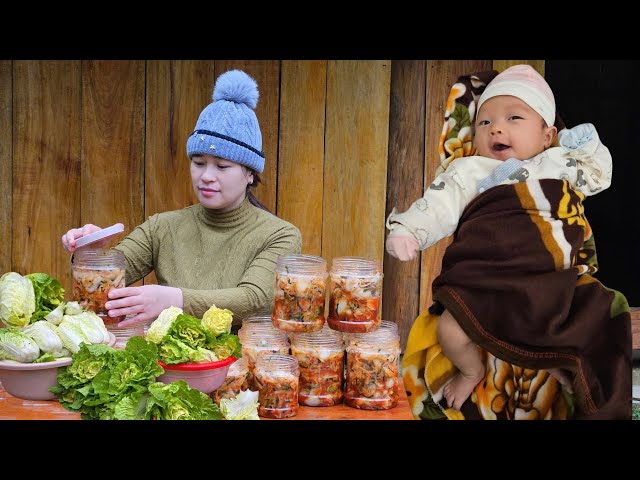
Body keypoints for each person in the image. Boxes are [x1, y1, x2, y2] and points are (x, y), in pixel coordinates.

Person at [386, 65, 616, 412]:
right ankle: (470, 369)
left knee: (565, 327)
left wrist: (588, 145)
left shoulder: (557, 163)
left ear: (546, 135)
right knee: (450, 329)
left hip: (543, 276)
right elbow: (437, 204)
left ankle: (557, 366)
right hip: (484, 278)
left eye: (514, 118)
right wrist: (409, 230)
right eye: (484, 122)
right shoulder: (468, 170)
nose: (496, 127)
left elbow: (599, 176)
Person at [62, 69, 302, 328]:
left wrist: (175, 299)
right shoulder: (161, 228)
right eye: (198, 163)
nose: (206, 176)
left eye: (222, 167)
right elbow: (105, 290)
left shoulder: (280, 235)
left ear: (251, 174)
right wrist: (89, 256)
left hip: (241, 363)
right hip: (168, 360)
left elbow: (255, 299)